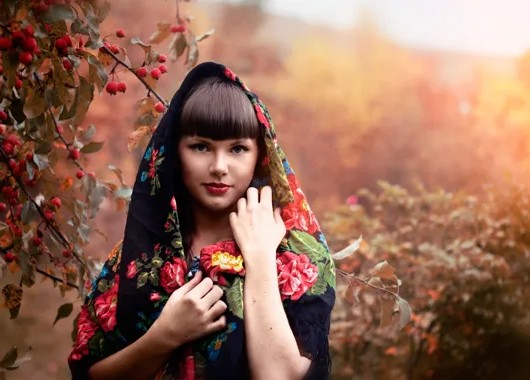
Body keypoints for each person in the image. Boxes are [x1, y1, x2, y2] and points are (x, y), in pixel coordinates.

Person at [68, 62, 336, 380]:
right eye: (201, 147)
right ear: (174, 153)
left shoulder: (296, 256)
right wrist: (163, 337)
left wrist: (261, 259)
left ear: (260, 154)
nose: (219, 167)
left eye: (237, 148)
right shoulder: (138, 257)